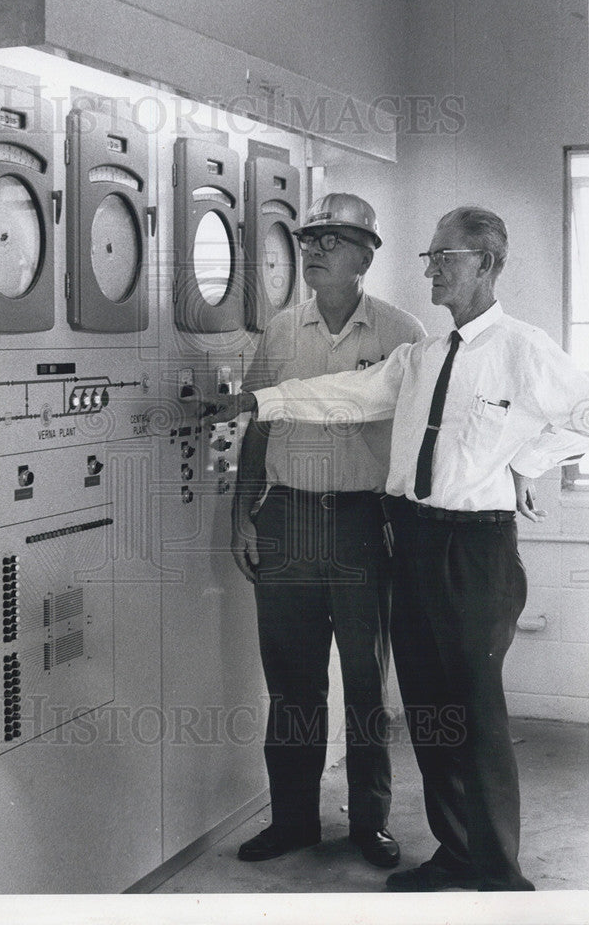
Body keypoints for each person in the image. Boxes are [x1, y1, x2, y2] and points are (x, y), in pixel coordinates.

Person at [202, 207, 588, 891]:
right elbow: (344, 395)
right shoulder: (421, 357)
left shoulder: (523, 348)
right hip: (412, 535)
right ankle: (455, 852)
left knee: (475, 713)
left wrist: (530, 463)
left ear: (488, 265)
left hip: (474, 547)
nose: (433, 268)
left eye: (448, 257)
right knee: (431, 707)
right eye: (430, 257)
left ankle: (500, 872)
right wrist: (263, 403)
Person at [231, 193, 426, 868]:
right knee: (291, 684)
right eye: (309, 238)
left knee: (367, 684)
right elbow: (259, 426)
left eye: (331, 240)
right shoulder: (282, 332)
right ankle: (293, 821)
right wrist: (242, 516)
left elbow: (419, 442)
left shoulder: (403, 336)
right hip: (285, 520)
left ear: (365, 256)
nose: (312, 250)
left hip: (362, 525)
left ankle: (368, 821)